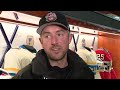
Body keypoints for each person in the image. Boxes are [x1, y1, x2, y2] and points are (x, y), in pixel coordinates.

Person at [12, 11, 94, 79]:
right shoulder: (25, 76)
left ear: (69, 38)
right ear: (41, 42)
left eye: (59, 34)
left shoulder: (85, 74)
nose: (54, 42)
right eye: (47, 36)